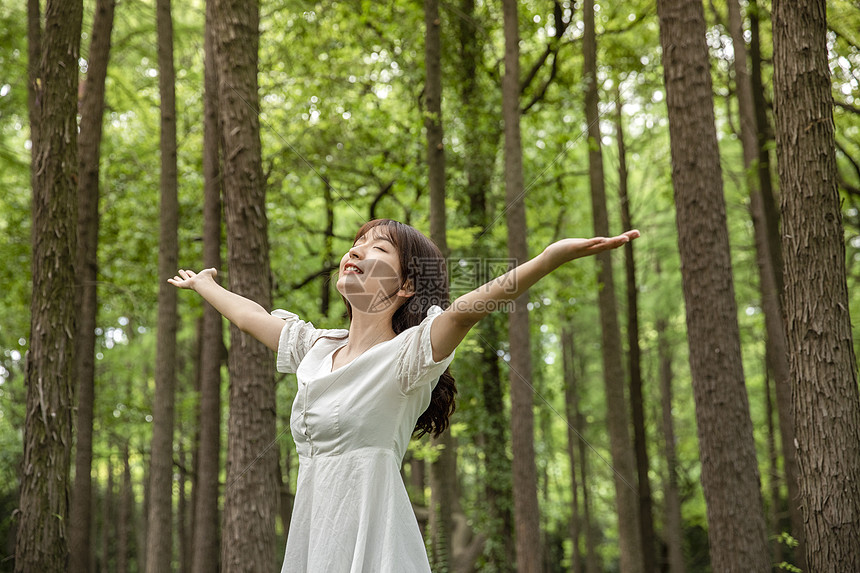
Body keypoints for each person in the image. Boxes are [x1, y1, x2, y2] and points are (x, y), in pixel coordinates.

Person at [169, 218, 639, 572]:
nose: (355, 250)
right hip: (315, 536)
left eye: (376, 248)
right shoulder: (315, 349)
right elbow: (251, 316)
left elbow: (465, 312)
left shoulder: (408, 356)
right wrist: (207, 285)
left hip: (377, 539)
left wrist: (548, 259)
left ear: (407, 285)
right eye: (356, 244)